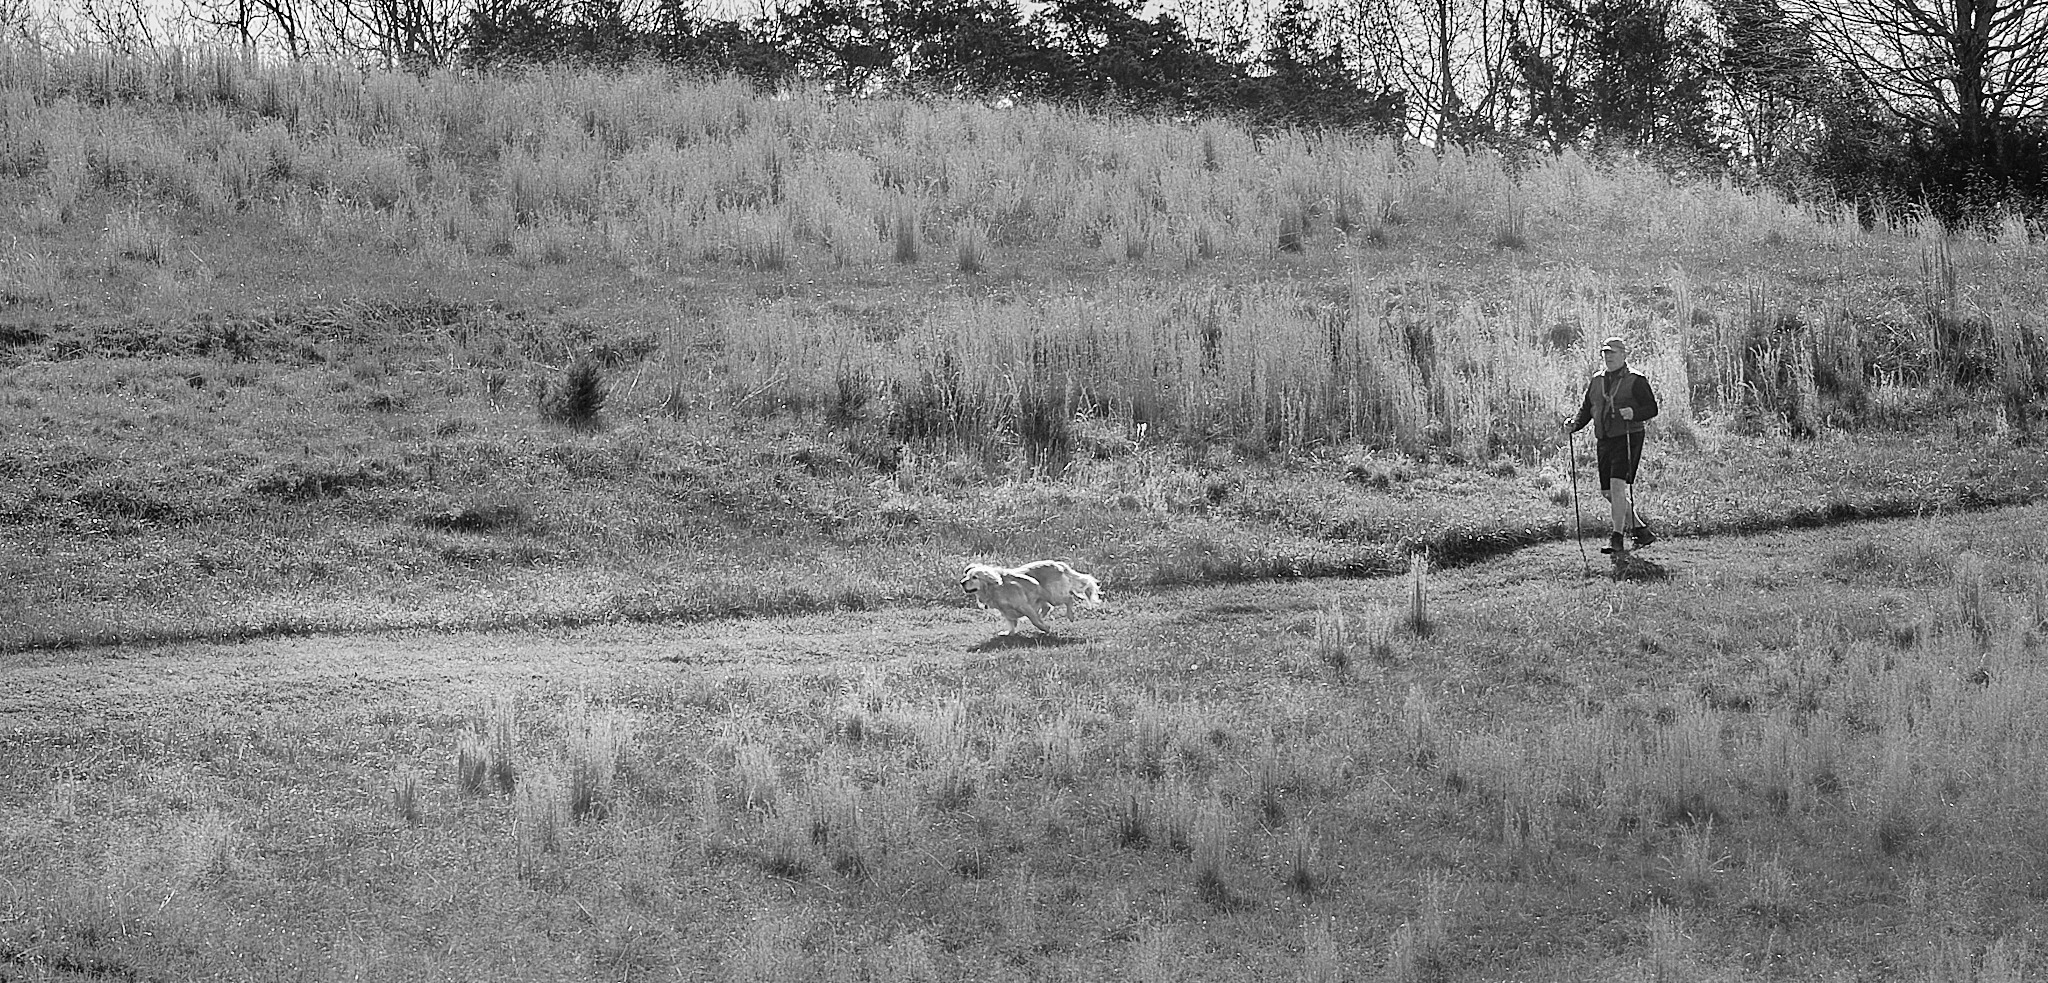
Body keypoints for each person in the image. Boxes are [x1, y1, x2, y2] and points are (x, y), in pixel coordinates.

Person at [1565, 336, 1659, 555]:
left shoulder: (1637, 379)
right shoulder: (1597, 380)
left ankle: (1617, 538)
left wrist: (1634, 413)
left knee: (1617, 487)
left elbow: (1651, 408)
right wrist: (1574, 424)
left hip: (1628, 436)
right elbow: (1587, 408)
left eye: (1613, 353)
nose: (1608, 357)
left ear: (1624, 355)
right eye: (1605, 353)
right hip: (1604, 439)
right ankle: (1641, 531)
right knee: (1608, 492)